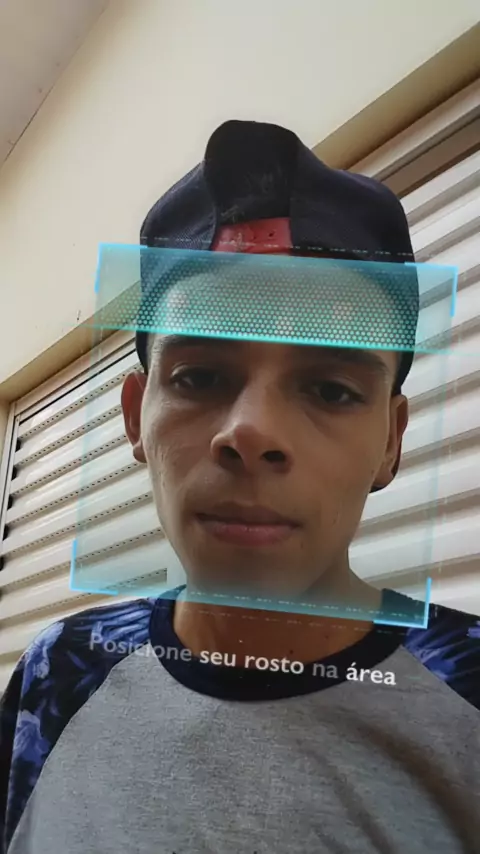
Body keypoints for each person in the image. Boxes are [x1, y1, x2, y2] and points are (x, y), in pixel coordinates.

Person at [0, 120, 478, 854]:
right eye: (200, 377)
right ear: (134, 417)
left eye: (330, 389)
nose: (251, 433)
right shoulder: (61, 671)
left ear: (391, 440)